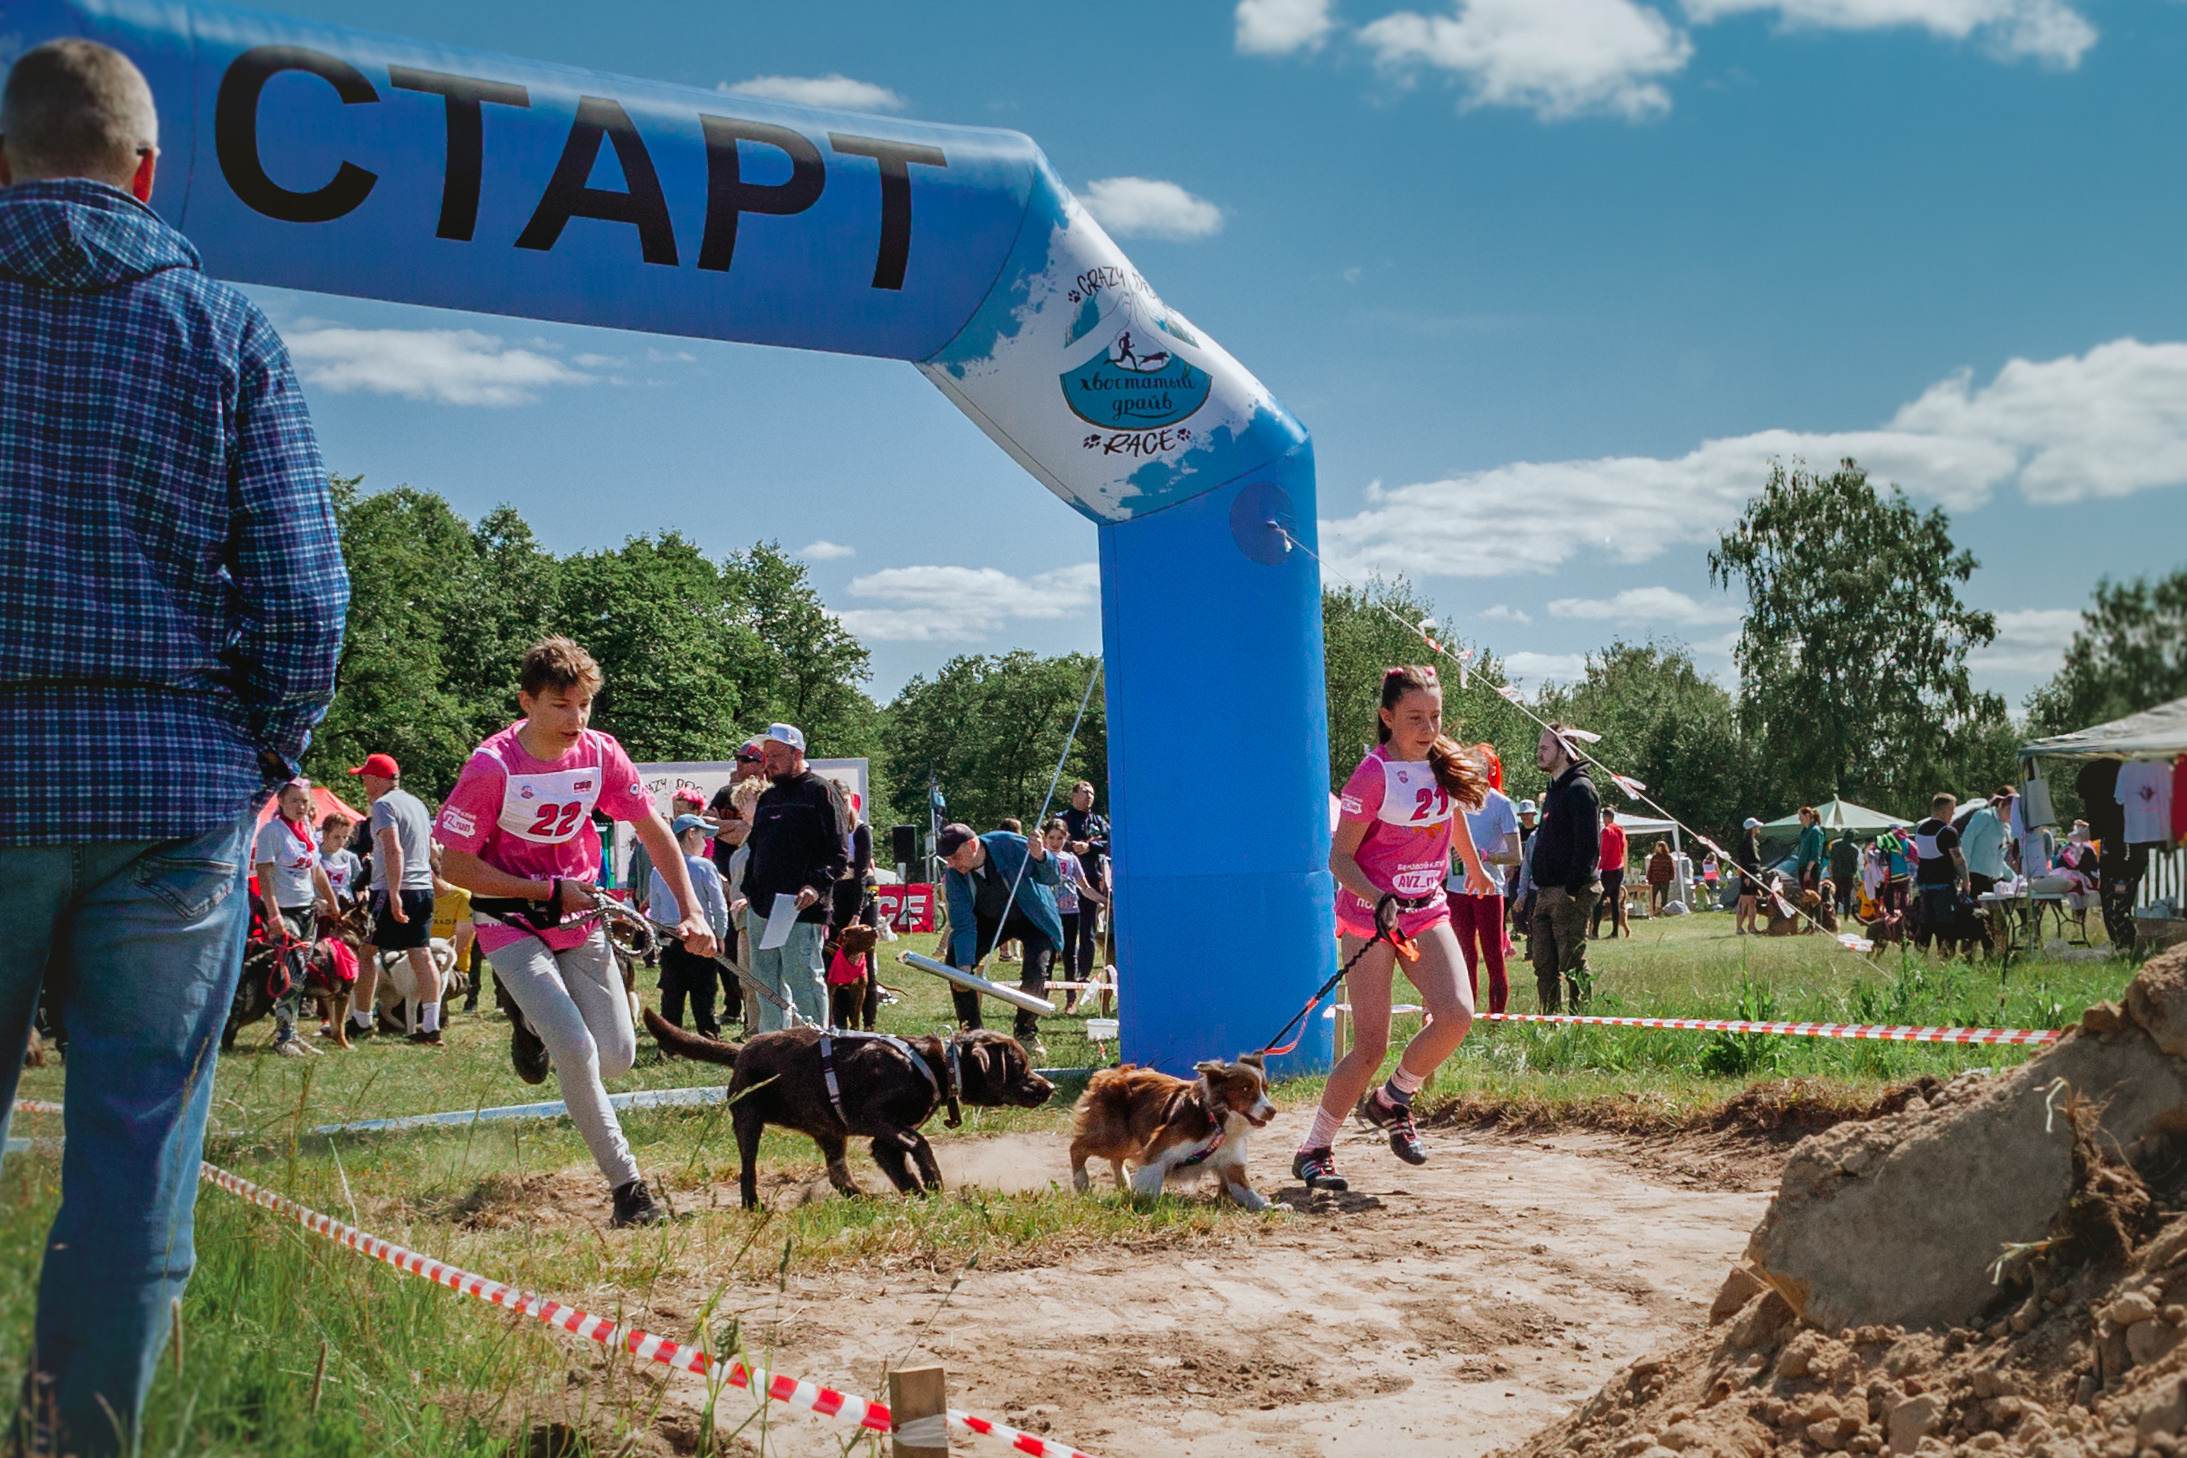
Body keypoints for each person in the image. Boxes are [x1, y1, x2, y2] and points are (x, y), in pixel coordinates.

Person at [0, 38, 349, 1454]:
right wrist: (259, 753)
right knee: (134, 1165)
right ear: (149, 171)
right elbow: (307, 600)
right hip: (169, 798)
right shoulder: (227, 331)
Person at [435, 637, 715, 1228]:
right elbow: (454, 866)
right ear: (527, 702)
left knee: (616, 1056)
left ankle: (529, 1019)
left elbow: (654, 829)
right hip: (508, 921)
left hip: (579, 917)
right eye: (561, 705)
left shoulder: (601, 754)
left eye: (584, 704)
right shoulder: (492, 767)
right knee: (575, 1047)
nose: (576, 718)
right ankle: (628, 1190)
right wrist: (545, 890)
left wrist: (692, 909)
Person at [1291, 665, 1494, 1195]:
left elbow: (1452, 816)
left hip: (1427, 906)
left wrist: (1471, 867)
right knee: (1370, 1046)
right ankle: (1314, 1148)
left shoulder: (1444, 761)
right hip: (1372, 915)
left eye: (1435, 716)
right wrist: (1377, 897)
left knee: (1456, 1014)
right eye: (1415, 718)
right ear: (1387, 718)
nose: (1428, 728)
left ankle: (1392, 1100)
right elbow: (1339, 858)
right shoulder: (1374, 775)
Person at [740, 723, 846, 1032]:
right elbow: (754, 848)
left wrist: (816, 885)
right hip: (761, 907)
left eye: (775, 755)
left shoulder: (821, 792)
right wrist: (749, 891)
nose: (767, 763)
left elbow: (837, 851)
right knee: (765, 984)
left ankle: (816, 1046)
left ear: (796, 753)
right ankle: (773, 1047)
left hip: (800, 907)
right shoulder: (769, 798)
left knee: (804, 978)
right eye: (765, 756)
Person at [937, 820, 1064, 1048]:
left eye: (955, 857)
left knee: (1037, 970)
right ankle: (972, 1036)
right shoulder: (954, 876)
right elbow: (963, 923)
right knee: (956, 963)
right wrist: (964, 969)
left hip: (1032, 916)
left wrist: (1041, 856)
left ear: (972, 845)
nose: (952, 864)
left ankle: (1025, 1033)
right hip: (990, 919)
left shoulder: (1010, 844)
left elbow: (1052, 878)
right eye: (947, 860)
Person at [349, 752, 441, 1044]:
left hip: (393, 888)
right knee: (421, 953)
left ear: (378, 779)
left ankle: (362, 1021)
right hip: (423, 887)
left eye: (365, 777)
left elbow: (393, 850)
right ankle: (431, 1026)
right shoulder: (417, 803)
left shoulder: (384, 806)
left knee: (366, 952)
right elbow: (430, 849)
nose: (363, 783)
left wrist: (392, 894)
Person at [254, 779, 339, 1056]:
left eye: (304, 801)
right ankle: (283, 1037)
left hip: (307, 910)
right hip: (285, 911)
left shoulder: (307, 830)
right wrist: (273, 914)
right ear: (281, 801)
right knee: (291, 969)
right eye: (294, 801)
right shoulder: (272, 832)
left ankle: (292, 1031)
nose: (301, 806)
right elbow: (264, 874)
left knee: (302, 973)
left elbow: (316, 871)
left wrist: (332, 901)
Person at [1529, 725, 1601, 1012]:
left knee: (1570, 959)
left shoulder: (1580, 789)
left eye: (1545, 747)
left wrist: (1571, 889)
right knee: (1543, 962)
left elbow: (1588, 848)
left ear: (1565, 750)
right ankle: (1549, 1020)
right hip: (1546, 891)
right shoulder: (1553, 791)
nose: (1539, 752)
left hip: (1571, 891)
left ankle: (1582, 1019)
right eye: (1540, 747)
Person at [1448, 753, 1519, 1016]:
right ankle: (1465, 1018)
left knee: (1494, 957)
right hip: (1455, 889)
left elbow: (1516, 855)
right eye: (1469, 762)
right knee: (1464, 958)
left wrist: (1485, 856)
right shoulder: (1455, 801)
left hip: (1488, 890)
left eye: (1479, 764)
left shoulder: (1502, 804)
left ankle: (1496, 1019)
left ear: (1490, 770)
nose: (1472, 768)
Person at [651, 813, 730, 1037]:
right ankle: (709, 1038)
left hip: (671, 939)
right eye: (704, 837)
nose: (706, 844)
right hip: (701, 937)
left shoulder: (659, 870)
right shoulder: (705, 867)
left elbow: (654, 912)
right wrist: (720, 935)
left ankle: (668, 1042)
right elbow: (718, 906)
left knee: (671, 995)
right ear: (691, 834)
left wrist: (659, 939)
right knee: (704, 993)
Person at [1041, 815, 1108, 1012]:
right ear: (1045, 838)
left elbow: (1085, 888)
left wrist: (1105, 901)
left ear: (1066, 839)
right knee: (1047, 955)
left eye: (1059, 838)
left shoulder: (1071, 860)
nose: (1055, 842)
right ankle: (1041, 998)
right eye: (1051, 838)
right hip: (1047, 913)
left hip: (1070, 912)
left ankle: (1071, 998)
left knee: (1070, 954)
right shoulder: (1040, 858)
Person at [1060, 780, 1112, 979]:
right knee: (1067, 932)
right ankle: (1068, 974)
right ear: (1073, 795)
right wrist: (1073, 846)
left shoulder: (1098, 821)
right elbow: (1051, 840)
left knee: (1088, 932)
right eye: (1084, 792)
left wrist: (1091, 847)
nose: (1089, 796)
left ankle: (1084, 974)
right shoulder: (1062, 819)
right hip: (1064, 883)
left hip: (1090, 881)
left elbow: (1111, 842)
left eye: (1091, 793)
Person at [1911, 793, 1969, 953]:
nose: (1953, 814)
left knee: (1926, 924)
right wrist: (1966, 881)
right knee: (1946, 924)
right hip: (1943, 885)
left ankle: (1920, 956)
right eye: (1952, 810)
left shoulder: (1920, 830)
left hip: (1924, 884)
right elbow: (1958, 859)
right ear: (1944, 811)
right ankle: (1945, 957)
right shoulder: (1948, 831)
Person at [1960, 790, 2011, 899]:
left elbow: (2000, 859)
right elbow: (1967, 839)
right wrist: (1965, 870)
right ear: (2004, 806)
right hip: (1975, 875)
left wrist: (2015, 878)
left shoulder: (2006, 828)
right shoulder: (1985, 815)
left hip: (1994, 879)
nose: (2012, 815)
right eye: (2010, 810)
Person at [1591, 806, 1629, 939]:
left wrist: (1599, 867)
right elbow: (1624, 846)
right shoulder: (1620, 830)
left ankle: (1594, 931)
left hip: (1608, 869)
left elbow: (1604, 851)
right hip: (1619, 868)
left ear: (1606, 817)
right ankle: (1615, 932)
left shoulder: (1607, 831)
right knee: (1614, 900)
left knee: (1598, 900)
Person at [320, 813, 364, 909]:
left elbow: (359, 885)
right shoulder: (315, 856)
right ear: (325, 834)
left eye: (345, 837)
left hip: (345, 907)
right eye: (336, 837)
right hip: (322, 908)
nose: (341, 842)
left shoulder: (351, 858)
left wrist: (361, 899)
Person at [1733, 817, 1765, 935]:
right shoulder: (1746, 844)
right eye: (1756, 826)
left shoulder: (1754, 842)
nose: (1758, 828)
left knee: (1752, 901)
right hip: (1748, 874)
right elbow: (1744, 861)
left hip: (1754, 874)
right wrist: (1746, 876)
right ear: (1752, 829)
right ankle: (1739, 927)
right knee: (1744, 901)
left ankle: (1752, 927)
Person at [1794, 807, 1826, 896]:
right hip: (1802, 866)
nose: (1799, 818)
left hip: (1811, 868)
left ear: (1807, 815)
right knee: (1805, 895)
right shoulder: (1804, 832)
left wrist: (1808, 870)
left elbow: (1816, 853)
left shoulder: (1816, 831)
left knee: (1812, 895)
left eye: (1800, 815)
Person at [1829, 832, 1860, 917]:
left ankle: (1833, 914)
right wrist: (1854, 873)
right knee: (1847, 896)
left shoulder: (1835, 845)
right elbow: (1855, 863)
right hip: (1848, 874)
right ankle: (1846, 916)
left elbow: (1831, 860)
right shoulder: (1854, 848)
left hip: (1836, 873)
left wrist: (1831, 872)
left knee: (1836, 895)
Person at [1645, 840, 1675, 914]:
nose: (1657, 848)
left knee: (1664, 897)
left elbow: (1672, 869)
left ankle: (1664, 911)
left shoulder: (1668, 858)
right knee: (1652, 897)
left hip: (1664, 881)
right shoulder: (1654, 857)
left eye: (1658, 847)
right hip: (1654, 880)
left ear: (1662, 847)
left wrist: (1669, 877)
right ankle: (1652, 911)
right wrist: (1648, 878)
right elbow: (1650, 869)